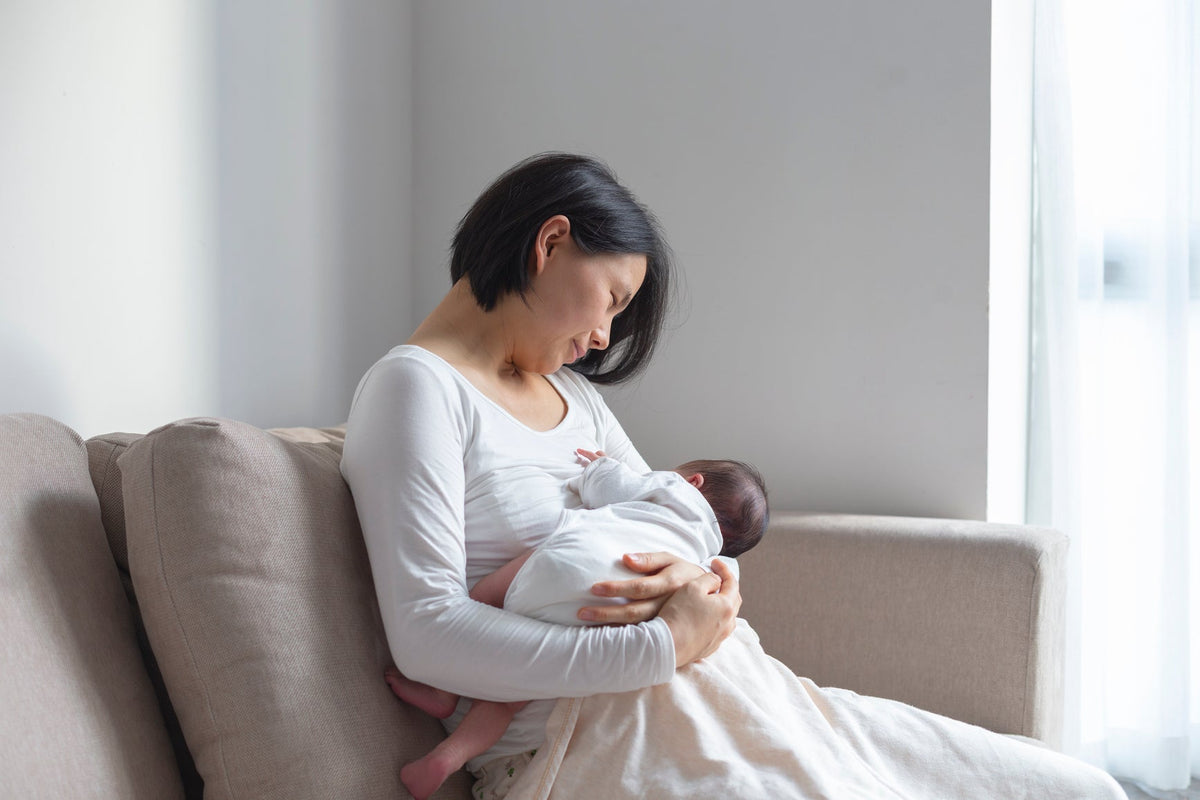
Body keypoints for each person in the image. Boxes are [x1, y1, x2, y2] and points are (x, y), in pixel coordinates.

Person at [341, 152, 1124, 800]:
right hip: (592, 735)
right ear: (550, 244)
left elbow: (670, 522)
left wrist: (715, 590)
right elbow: (428, 635)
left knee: (1072, 788)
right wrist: (662, 646)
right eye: (611, 299)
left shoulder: (574, 397)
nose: (603, 335)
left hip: (741, 686)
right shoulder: (417, 389)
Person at [384, 447, 769, 799]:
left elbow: (609, 487)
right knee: (509, 695)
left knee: (483, 599)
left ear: (693, 481)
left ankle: (443, 691)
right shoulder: (708, 555)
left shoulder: (674, 488)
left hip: (571, 563)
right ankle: (446, 759)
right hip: (618, 607)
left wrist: (599, 467)